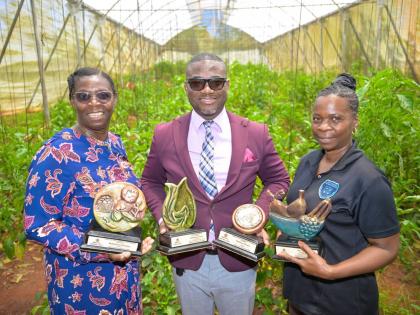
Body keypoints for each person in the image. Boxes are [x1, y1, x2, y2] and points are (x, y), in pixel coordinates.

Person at [141, 53, 290, 315]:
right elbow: (150, 181)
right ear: (186, 87)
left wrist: (257, 215)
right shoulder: (165, 134)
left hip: (238, 259)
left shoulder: (255, 133)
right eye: (197, 83)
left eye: (216, 82)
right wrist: (163, 217)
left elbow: (278, 180)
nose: (207, 89)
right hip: (187, 259)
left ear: (227, 85)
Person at [23, 67, 154, 314]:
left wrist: (128, 241)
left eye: (103, 95)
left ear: (114, 98)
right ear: (72, 100)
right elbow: (38, 224)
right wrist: (103, 250)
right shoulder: (56, 152)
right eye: (84, 96)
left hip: (123, 277)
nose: (94, 102)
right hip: (80, 284)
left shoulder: (114, 142)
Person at [279, 73, 400, 315]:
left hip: (340, 301)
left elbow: (387, 248)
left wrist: (331, 271)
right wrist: (286, 228)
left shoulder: (368, 179)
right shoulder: (308, 162)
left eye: (336, 119)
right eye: (317, 118)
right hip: (300, 293)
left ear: (355, 122)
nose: (324, 127)